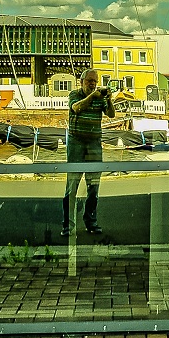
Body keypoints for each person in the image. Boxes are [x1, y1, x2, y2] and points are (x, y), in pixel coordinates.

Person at [63, 69, 114, 236]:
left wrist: (109, 99)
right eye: (89, 81)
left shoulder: (100, 98)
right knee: (72, 184)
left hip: (94, 144)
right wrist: (93, 96)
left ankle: (91, 221)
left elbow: (111, 114)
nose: (92, 84)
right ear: (82, 81)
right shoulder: (74, 94)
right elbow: (76, 108)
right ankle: (68, 225)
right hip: (76, 142)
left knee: (94, 186)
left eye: (95, 81)